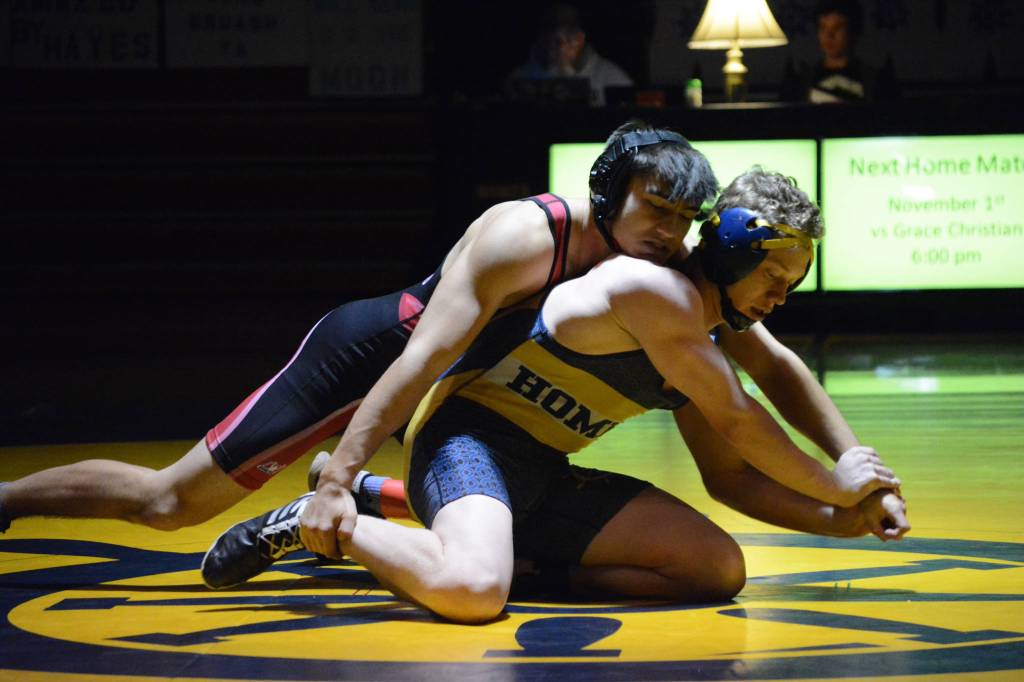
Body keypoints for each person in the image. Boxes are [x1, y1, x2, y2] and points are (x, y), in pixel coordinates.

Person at [201, 168, 909, 624]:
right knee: (475, 592)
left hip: (539, 474)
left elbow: (735, 469)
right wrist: (838, 484)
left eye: (793, 284)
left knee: (716, 569)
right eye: (775, 280)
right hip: (464, 444)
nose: (782, 299)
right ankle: (318, 521)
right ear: (730, 253)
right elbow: (742, 417)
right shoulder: (654, 293)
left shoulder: (713, 330)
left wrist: (847, 506)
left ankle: (399, 510)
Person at [0, 121, 717, 535]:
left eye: (684, 218)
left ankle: (360, 489)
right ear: (606, 191)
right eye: (658, 208)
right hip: (369, 358)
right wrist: (338, 481)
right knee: (172, 503)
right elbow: (415, 363)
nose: (670, 232)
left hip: (443, 385)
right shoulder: (523, 238)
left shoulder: (654, 252)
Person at [507, 3, 633, 106]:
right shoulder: (519, 80)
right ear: (541, 35)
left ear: (581, 36)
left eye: (569, 27)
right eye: (552, 26)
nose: (560, 37)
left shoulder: (612, 79)